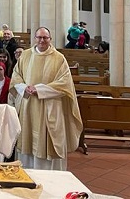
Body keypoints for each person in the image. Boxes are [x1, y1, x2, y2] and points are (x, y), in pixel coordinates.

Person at [10, 27, 82, 170]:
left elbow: (64, 83)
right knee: (27, 143)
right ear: (35, 38)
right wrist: (25, 87)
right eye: (39, 37)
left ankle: (50, 177)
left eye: (45, 38)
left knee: (47, 142)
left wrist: (39, 89)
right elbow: (16, 76)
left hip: (49, 106)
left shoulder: (59, 58)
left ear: (50, 39)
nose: (42, 40)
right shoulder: (25, 55)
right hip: (28, 105)